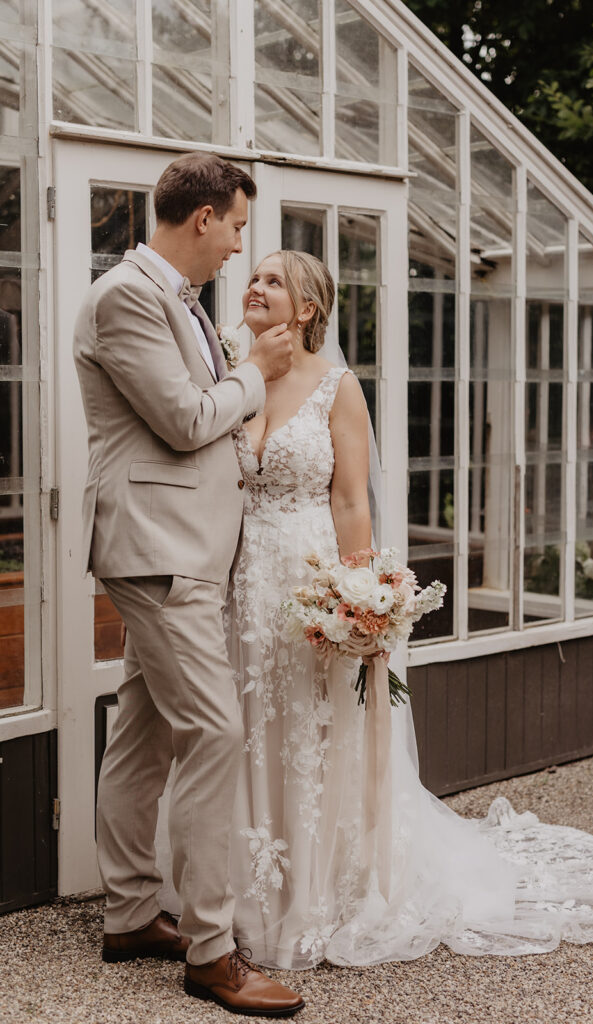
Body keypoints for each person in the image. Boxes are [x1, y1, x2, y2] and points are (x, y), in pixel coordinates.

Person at [207, 248, 593, 970]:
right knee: (248, 722)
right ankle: (240, 886)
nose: (254, 287)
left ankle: (328, 884)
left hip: (307, 572)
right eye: (253, 276)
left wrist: (356, 602)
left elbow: (352, 499)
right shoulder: (230, 371)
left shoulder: (336, 386)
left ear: (306, 309)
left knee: (313, 726)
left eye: (273, 280)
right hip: (241, 583)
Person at [73, 153, 305, 1017]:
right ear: (203, 217)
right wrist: (258, 372)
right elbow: (185, 421)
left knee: (142, 736)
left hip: (185, 550)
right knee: (215, 730)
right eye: (238, 226)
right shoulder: (126, 296)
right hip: (158, 550)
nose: (240, 246)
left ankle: (132, 914)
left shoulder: (180, 302)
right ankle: (212, 952)